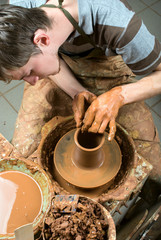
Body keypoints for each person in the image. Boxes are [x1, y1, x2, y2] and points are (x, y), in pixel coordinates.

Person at [0, 0, 161, 202]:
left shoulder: (118, 23)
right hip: (57, 68)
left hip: (107, 69)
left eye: (29, 73)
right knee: (24, 152)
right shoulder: (20, 8)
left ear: (42, 39)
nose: (31, 82)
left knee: (153, 169)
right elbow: (49, 62)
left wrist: (119, 95)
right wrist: (77, 91)